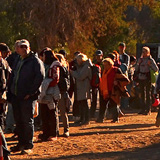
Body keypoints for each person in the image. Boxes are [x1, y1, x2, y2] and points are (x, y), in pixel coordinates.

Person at [8, 39, 45, 153]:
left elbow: (40, 77)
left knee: (27, 121)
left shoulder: (35, 61)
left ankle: (28, 145)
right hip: (16, 95)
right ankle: (21, 143)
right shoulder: (18, 60)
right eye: (21, 46)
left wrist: (31, 93)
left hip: (27, 97)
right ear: (17, 49)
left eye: (25, 46)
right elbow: (13, 75)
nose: (23, 48)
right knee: (18, 121)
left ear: (29, 47)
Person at [38, 50, 60, 141]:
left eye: (43, 56)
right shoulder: (44, 66)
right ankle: (45, 133)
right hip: (44, 93)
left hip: (51, 93)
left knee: (52, 113)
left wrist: (46, 84)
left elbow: (55, 80)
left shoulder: (55, 66)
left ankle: (53, 133)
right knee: (44, 114)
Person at [99, 58, 130, 122]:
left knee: (114, 105)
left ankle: (115, 119)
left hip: (114, 91)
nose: (105, 66)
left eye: (106, 65)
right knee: (103, 105)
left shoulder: (116, 70)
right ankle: (100, 118)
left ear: (110, 64)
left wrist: (117, 82)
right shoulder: (104, 71)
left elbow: (125, 80)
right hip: (105, 91)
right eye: (104, 65)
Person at [136, 46, 158, 115]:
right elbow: (136, 69)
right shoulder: (140, 59)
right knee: (142, 94)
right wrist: (138, 63)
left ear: (148, 52)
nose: (143, 53)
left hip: (147, 78)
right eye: (142, 51)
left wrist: (150, 65)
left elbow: (156, 69)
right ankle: (142, 108)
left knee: (148, 94)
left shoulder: (150, 60)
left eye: (144, 51)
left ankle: (148, 109)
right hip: (141, 78)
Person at [70, 53, 92, 125]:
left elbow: (80, 76)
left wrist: (72, 72)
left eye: (78, 60)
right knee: (81, 104)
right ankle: (82, 118)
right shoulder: (81, 67)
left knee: (85, 105)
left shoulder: (86, 67)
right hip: (80, 88)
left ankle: (86, 119)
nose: (77, 62)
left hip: (84, 88)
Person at [56, 54, 70, 137]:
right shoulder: (62, 68)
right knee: (57, 112)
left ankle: (66, 129)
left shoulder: (63, 69)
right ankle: (57, 130)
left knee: (62, 112)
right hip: (58, 91)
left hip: (61, 92)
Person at [90, 50, 103, 119]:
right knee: (93, 99)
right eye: (97, 55)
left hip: (102, 83)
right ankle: (92, 114)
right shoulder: (93, 63)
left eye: (99, 56)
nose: (98, 57)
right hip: (94, 84)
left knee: (102, 99)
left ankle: (101, 114)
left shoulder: (104, 63)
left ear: (102, 56)